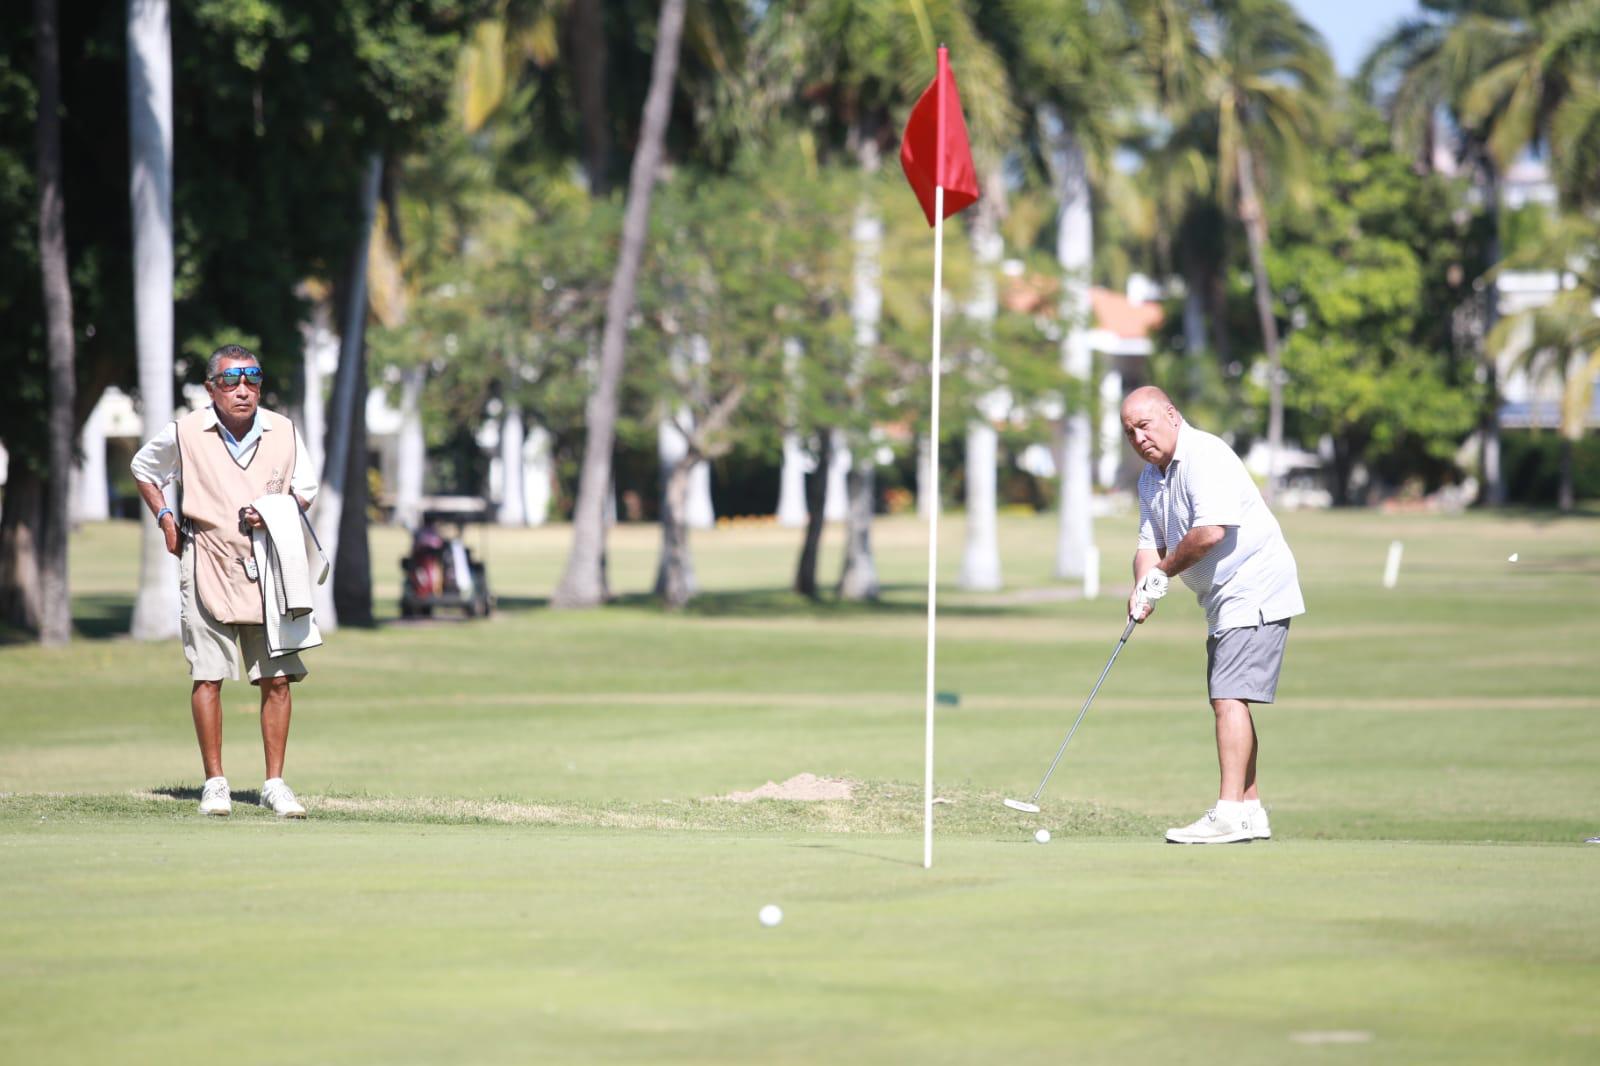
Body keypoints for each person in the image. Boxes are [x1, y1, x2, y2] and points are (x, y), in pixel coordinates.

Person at [130, 344, 319, 818]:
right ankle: (215, 783)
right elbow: (144, 469)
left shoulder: (285, 430)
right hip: (206, 560)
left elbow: (306, 490)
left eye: (252, 379)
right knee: (208, 674)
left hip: (270, 566)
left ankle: (275, 783)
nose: (243, 390)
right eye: (231, 380)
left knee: (277, 679)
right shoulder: (186, 431)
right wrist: (167, 517)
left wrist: (276, 510)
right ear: (211, 388)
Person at [1121, 386, 1305, 844]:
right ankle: (1250, 809)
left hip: (1254, 582)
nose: (1139, 438)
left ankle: (1228, 813)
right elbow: (1150, 544)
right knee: (1229, 698)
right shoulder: (1151, 478)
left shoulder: (1206, 455)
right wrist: (1143, 588)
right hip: (1223, 595)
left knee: (1228, 698)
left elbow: (1210, 532)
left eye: (1144, 426)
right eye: (1129, 433)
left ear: (1172, 414)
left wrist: (1162, 573)